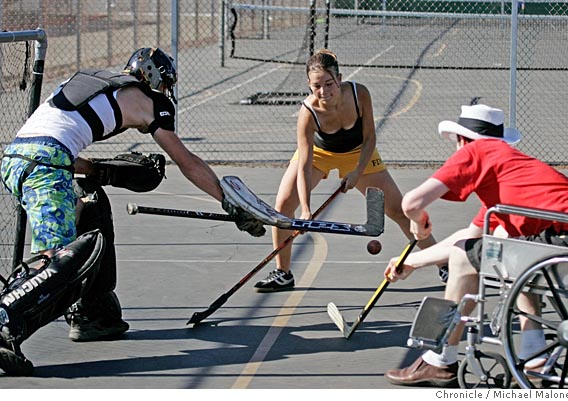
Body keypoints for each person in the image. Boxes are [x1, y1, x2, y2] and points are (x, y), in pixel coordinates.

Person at [0, 47, 264, 375]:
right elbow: (186, 161)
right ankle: (4, 322)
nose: (166, 93)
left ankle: (94, 316)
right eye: (165, 85)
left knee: (90, 206)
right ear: (153, 77)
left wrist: (99, 171)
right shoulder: (151, 101)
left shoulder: (89, 80)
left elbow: (51, 140)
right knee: (58, 261)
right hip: (46, 166)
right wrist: (229, 202)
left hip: (19, 159)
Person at [383, 103, 568, 387]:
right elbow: (469, 235)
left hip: (565, 241)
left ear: (462, 141)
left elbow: (411, 203)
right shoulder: (508, 172)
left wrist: (417, 220)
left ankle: (440, 358)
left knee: (464, 259)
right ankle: (534, 356)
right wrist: (412, 261)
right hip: (564, 242)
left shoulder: (477, 151)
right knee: (509, 249)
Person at [253, 49, 445, 293]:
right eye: (316, 86)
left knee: (398, 210)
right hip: (320, 154)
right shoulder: (308, 113)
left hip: (359, 153)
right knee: (283, 206)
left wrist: (356, 172)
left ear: (340, 78)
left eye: (329, 83)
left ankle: (443, 263)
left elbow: (370, 138)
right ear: (308, 85)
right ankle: (283, 273)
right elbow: (303, 162)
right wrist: (306, 209)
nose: (324, 91)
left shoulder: (359, 94)